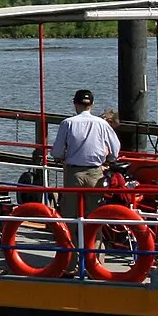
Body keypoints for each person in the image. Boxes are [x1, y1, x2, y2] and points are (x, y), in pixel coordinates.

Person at [48, 89, 120, 220]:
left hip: (73, 173)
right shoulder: (102, 123)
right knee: (95, 213)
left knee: (69, 212)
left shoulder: (67, 123)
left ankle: (71, 239)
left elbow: (57, 151)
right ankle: (95, 240)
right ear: (92, 104)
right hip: (95, 173)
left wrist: (59, 157)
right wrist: (110, 159)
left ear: (75, 103)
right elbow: (115, 147)